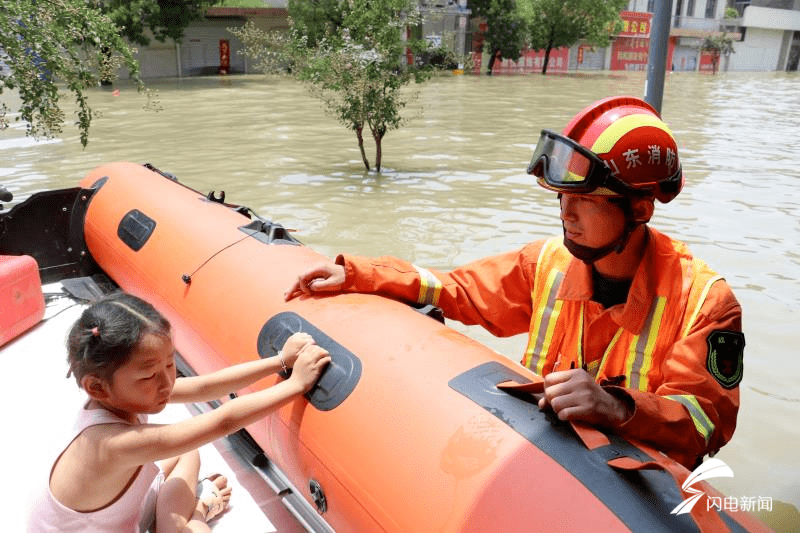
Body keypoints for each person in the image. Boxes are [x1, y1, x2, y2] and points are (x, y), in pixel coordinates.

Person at [285, 95, 745, 470]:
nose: (566, 212)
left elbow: (708, 423)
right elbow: (457, 289)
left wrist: (616, 407)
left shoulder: (705, 302)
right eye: (562, 196)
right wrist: (361, 274)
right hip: (549, 462)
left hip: (641, 493)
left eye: (586, 200)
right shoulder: (546, 263)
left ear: (639, 210)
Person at [27, 292, 330, 533]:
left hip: (114, 520)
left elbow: (205, 387)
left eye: (170, 364)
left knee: (188, 452)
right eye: (149, 375)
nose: (167, 381)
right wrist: (297, 384)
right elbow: (222, 421)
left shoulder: (125, 395)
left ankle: (168, 525)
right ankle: (193, 516)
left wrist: (280, 361)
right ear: (97, 387)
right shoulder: (109, 444)